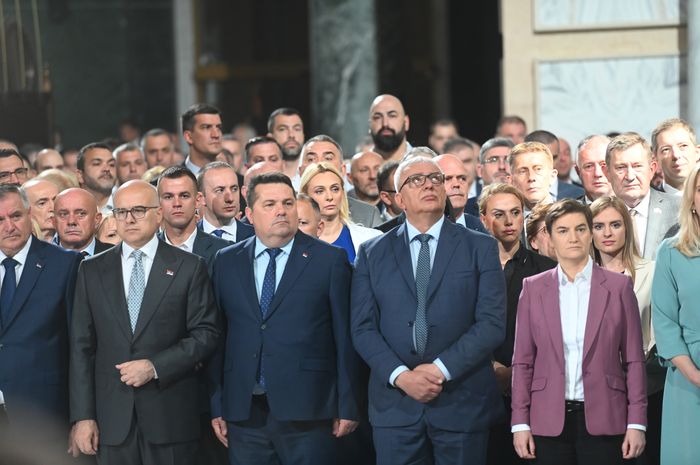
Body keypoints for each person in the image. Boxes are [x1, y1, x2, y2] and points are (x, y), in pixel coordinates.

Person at [351, 156, 506, 465]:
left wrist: (439, 370)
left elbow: (491, 323)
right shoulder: (372, 252)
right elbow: (362, 328)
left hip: (461, 401)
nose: (429, 185)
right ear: (399, 199)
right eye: (416, 180)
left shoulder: (480, 247)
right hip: (395, 407)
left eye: (436, 178)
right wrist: (401, 376)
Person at [208, 172, 363, 464]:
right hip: (244, 411)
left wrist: (348, 404)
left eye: (287, 203)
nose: (281, 211)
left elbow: (345, 338)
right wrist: (217, 403)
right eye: (270, 204)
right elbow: (218, 336)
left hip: (309, 409)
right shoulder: (226, 261)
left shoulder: (329, 260)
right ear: (249, 214)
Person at [70, 180, 220, 464]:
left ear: (159, 213)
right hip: (112, 422)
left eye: (138, 210)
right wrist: (83, 416)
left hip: (170, 417)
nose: (129, 219)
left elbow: (206, 334)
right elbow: (81, 348)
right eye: (121, 211)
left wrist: (155, 367)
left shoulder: (190, 266)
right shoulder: (91, 270)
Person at [511, 199, 647, 464]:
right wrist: (519, 422)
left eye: (581, 229)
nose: (573, 238)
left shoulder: (619, 287)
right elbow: (523, 362)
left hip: (605, 416)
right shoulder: (532, 288)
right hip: (547, 419)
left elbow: (634, 360)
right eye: (563, 230)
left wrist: (637, 422)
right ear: (550, 237)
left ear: (590, 234)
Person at [478, 183, 556, 465]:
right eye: (499, 214)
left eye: (515, 212)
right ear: (483, 218)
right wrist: (491, 367)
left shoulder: (547, 269)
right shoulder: (469, 267)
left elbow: (552, 333)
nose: (509, 221)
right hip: (479, 385)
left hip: (533, 389)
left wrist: (516, 371)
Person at [0, 184, 81, 445]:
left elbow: (80, 346)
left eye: (15, 216)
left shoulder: (65, 264)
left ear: (29, 214)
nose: (9, 227)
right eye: (0, 220)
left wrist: (81, 417)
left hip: (44, 414)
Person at [590, 195, 662, 465]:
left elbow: (658, 335)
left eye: (615, 225)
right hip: (595, 396)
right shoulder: (579, 279)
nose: (607, 233)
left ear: (627, 228)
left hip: (646, 390)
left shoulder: (652, 272)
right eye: (598, 226)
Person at [650, 161, 700, 464]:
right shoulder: (671, 251)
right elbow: (665, 322)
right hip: (687, 377)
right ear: (691, 199)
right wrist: (695, 375)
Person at [605, 132, 680, 259]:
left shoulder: (680, 210)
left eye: (637, 166)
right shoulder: (594, 216)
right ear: (607, 173)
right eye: (621, 167)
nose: (630, 176)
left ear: (652, 169)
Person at [300, 162, 381, 263]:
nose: (329, 197)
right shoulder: (292, 242)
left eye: (335, 189)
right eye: (319, 191)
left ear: (342, 192)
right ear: (305, 197)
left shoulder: (372, 238)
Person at [299, 135, 383, 227]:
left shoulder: (368, 214)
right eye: (311, 159)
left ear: (343, 170)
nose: (320, 163)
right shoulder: (290, 211)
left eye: (328, 158)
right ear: (300, 172)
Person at [157, 165, 229, 271]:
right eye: (168, 197)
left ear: (197, 200)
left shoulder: (223, 251)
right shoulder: (147, 250)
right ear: (159, 203)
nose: (177, 203)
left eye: (184, 196)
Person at [197, 161, 254, 243]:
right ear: (201, 198)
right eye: (220, 190)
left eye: (234, 189)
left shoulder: (256, 237)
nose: (230, 198)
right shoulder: (188, 238)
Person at [524, 130, 584, 200]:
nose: (550, 164)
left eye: (554, 158)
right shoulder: (516, 196)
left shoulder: (578, 195)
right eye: (543, 159)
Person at [53, 188, 113, 256]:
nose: (71, 221)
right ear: (54, 221)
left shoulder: (117, 257)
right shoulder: (43, 258)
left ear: (97, 219)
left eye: (81, 214)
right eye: (63, 214)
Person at [651, 118, 700, 196]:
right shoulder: (647, 202)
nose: (676, 155)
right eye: (666, 149)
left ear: (697, 152)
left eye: (683, 146)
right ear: (656, 159)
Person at [181, 104, 223, 175]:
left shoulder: (238, 180)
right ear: (189, 137)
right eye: (206, 127)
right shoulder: (168, 181)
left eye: (218, 127)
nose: (216, 135)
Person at [368, 94, 412, 161]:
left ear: (406, 123)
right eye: (377, 117)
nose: (385, 124)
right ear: (370, 124)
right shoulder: (355, 166)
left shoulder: (426, 165)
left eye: (392, 116)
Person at [76, 142, 116, 215]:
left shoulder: (126, 206)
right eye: (97, 164)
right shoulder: (70, 209)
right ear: (80, 175)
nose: (107, 169)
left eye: (111, 164)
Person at [443, 138, 481, 216]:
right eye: (455, 162)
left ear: (477, 163)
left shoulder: (488, 195)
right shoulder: (437, 199)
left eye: (467, 161)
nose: (462, 168)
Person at [266, 107, 305, 182]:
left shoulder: (316, 174)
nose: (291, 135)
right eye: (282, 129)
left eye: (297, 129)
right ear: (270, 137)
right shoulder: (263, 177)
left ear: (303, 135)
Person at [574, 135, 612, 204]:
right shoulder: (568, 210)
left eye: (604, 165)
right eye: (589, 166)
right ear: (578, 171)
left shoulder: (631, 208)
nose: (597, 174)